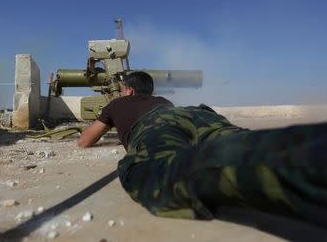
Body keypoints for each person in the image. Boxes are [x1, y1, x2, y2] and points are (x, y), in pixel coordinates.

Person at [77, 71, 327, 226]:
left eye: (122, 90)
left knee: (155, 174)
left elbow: (85, 141)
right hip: (196, 114)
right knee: (242, 142)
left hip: (155, 124)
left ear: (128, 90)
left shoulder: (118, 103)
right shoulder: (162, 100)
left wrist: (110, 114)